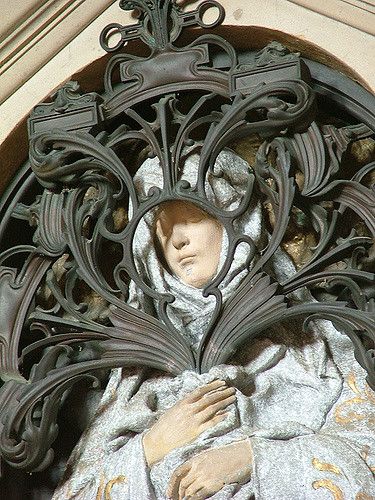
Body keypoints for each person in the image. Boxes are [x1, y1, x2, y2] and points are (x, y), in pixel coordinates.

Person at [53, 150, 375, 499]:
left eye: (192, 217)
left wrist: (253, 457)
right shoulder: (138, 382)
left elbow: (365, 452)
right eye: (161, 229)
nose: (177, 240)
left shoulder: (310, 349)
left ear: (236, 222)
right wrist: (152, 445)